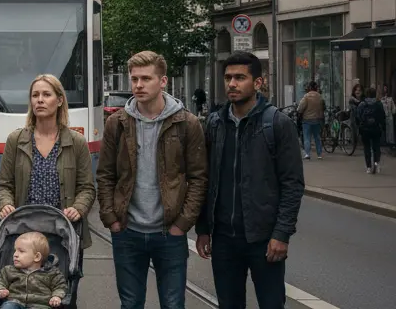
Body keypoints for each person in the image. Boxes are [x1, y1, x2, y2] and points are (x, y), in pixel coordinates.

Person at [96, 51, 207, 309]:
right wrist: (111, 218)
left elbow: (199, 178)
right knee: (131, 303)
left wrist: (182, 223)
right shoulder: (117, 123)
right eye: (134, 79)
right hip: (127, 230)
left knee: (172, 304)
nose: (138, 85)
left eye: (146, 78)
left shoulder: (186, 124)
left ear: (163, 81)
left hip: (169, 232)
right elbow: (105, 175)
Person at [195, 52, 305, 309]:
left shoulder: (277, 123)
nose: (232, 83)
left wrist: (281, 234)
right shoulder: (214, 123)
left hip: (263, 239)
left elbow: (293, 184)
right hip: (223, 239)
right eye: (228, 77)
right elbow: (205, 179)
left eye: (240, 77)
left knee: (271, 304)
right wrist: (203, 229)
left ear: (258, 83)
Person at [0, 75, 96, 252]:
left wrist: (78, 208)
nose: (40, 100)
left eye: (46, 95)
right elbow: (4, 184)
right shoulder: (16, 140)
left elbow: (87, 187)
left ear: (59, 100)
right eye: (35, 95)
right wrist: (5, 204)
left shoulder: (76, 142)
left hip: (61, 231)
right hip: (23, 231)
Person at [0, 232, 68, 309]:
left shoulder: (52, 273)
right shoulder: (8, 271)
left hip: (40, 305)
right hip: (14, 302)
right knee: (8, 307)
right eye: (15, 250)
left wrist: (56, 296)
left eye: (21, 251)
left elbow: (60, 287)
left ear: (37, 257)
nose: (15, 254)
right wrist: (0, 289)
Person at [354, 87, 386, 174]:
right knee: (376, 147)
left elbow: (358, 116)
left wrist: (359, 126)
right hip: (376, 128)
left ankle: (368, 167)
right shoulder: (379, 104)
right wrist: (383, 127)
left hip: (365, 129)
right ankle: (376, 164)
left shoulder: (362, 104)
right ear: (375, 94)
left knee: (367, 148)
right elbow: (382, 117)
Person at [297, 81, 326, 160]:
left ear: (309, 87)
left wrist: (299, 113)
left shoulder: (306, 97)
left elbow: (300, 108)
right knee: (317, 137)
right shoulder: (320, 96)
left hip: (307, 120)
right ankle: (319, 154)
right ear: (316, 88)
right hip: (317, 119)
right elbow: (323, 107)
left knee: (307, 137)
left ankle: (307, 154)